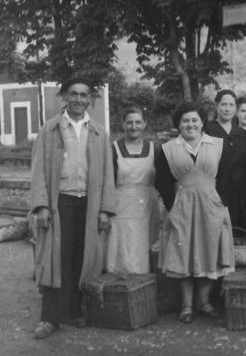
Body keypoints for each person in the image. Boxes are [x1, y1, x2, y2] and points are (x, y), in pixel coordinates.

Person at [30, 77, 116, 339]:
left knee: (83, 257)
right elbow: (38, 171)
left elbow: (107, 175)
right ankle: (50, 318)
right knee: (55, 259)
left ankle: (75, 311)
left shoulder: (99, 132)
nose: (79, 99)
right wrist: (42, 206)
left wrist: (104, 209)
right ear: (64, 98)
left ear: (90, 99)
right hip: (59, 203)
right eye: (74, 94)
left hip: (88, 204)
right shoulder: (50, 129)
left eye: (84, 94)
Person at [154, 102, 234, 323]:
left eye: (194, 120)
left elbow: (227, 177)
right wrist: (172, 207)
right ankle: (187, 306)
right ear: (179, 125)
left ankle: (204, 302)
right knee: (184, 253)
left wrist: (222, 203)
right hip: (182, 206)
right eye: (185, 120)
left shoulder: (217, 144)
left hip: (211, 205)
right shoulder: (168, 149)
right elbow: (162, 181)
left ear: (202, 122)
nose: (190, 124)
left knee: (209, 251)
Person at [106, 106, 159, 274]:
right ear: (123, 124)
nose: (133, 126)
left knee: (145, 248)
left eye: (138, 122)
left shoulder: (154, 149)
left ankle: (144, 291)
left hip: (147, 208)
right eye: (129, 122)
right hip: (121, 208)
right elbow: (107, 182)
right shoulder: (113, 149)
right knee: (122, 248)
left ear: (144, 124)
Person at [204, 90, 246, 231]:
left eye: (231, 105)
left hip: (241, 192)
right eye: (223, 104)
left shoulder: (243, 134)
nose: (227, 109)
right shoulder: (207, 130)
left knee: (240, 232)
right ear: (217, 106)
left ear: (235, 108)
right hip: (217, 189)